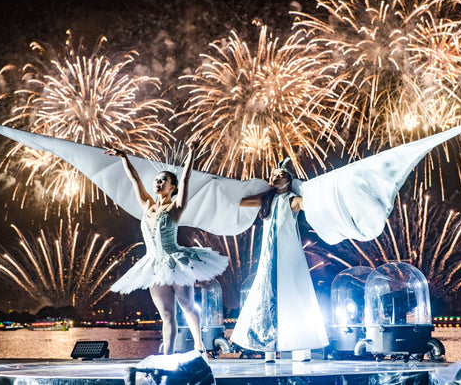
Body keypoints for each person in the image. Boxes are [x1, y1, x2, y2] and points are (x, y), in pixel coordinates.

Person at [104, 142, 228, 355]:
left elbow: (187, 177)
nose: (158, 182)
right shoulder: (147, 205)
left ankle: (199, 345)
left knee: (187, 307)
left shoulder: (175, 207)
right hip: (153, 265)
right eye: (157, 179)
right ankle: (167, 356)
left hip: (176, 262)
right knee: (167, 315)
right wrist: (124, 158)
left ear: (172, 187)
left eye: (164, 180)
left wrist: (191, 152)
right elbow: (134, 179)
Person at [230, 159, 328, 363]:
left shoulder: (293, 200)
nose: (274, 177)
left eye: (280, 175)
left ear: (289, 180)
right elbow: (241, 202)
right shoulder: (267, 200)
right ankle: (268, 349)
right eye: (273, 174)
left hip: (289, 257)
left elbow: (313, 203)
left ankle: (301, 349)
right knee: (266, 299)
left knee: (294, 296)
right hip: (268, 259)